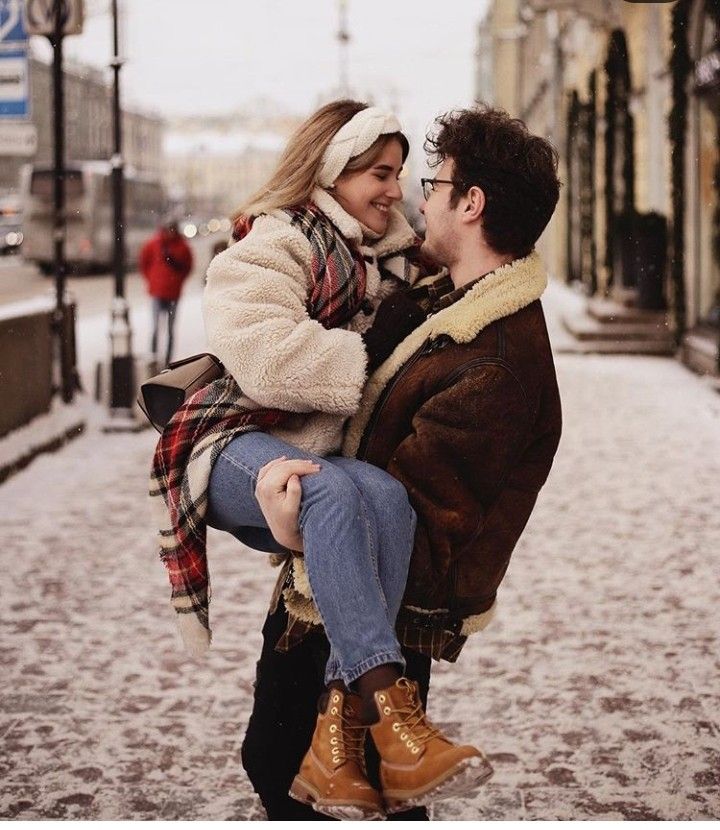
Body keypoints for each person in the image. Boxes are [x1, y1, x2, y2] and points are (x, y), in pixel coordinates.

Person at [149, 101, 491, 822]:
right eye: (379, 173)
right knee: (331, 493)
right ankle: (389, 720)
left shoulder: (388, 259)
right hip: (233, 441)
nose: (393, 190)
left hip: (316, 456)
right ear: (333, 170)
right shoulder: (272, 244)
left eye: (401, 175)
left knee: (386, 500)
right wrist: (367, 346)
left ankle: (337, 734)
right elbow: (265, 358)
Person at [244, 105, 564, 821]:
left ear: (471, 203)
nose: (418, 197)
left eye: (433, 182)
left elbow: (418, 525)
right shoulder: (446, 303)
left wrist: (301, 529)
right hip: (357, 607)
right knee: (333, 785)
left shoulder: (496, 359)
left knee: (298, 772)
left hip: (365, 615)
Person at [139, 219, 193, 366]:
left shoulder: (182, 246)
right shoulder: (154, 244)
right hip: (158, 292)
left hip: (173, 294)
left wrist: (178, 281)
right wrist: (151, 280)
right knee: (156, 327)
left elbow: (187, 267)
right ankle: (154, 356)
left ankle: (167, 360)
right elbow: (143, 262)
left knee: (170, 329)